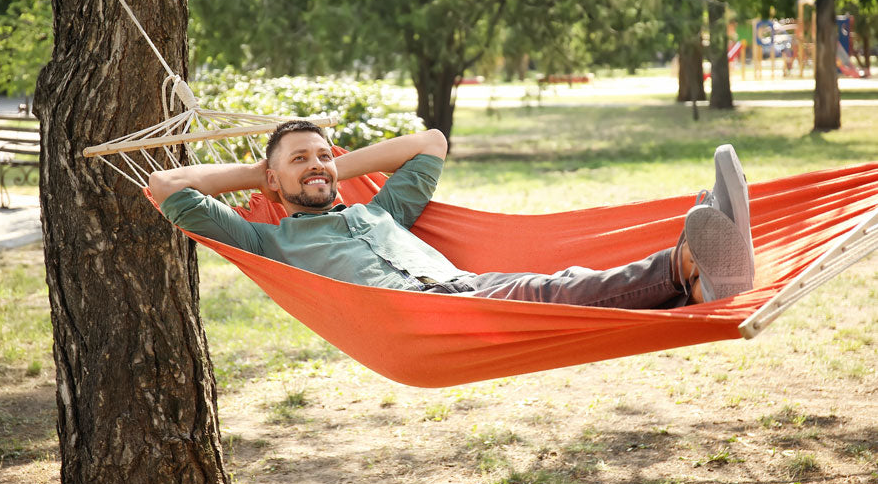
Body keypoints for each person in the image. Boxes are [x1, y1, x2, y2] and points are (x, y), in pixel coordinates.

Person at [149, 121, 755, 308]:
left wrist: (326, 163)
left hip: (465, 289)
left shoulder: (384, 210)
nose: (316, 166)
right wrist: (267, 175)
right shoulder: (268, 239)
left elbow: (431, 142)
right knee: (554, 290)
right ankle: (690, 264)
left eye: (322, 157)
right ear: (271, 179)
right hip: (418, 311)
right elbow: (167, 185)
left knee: (555, 283)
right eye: (298, 162)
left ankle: (699, 263)